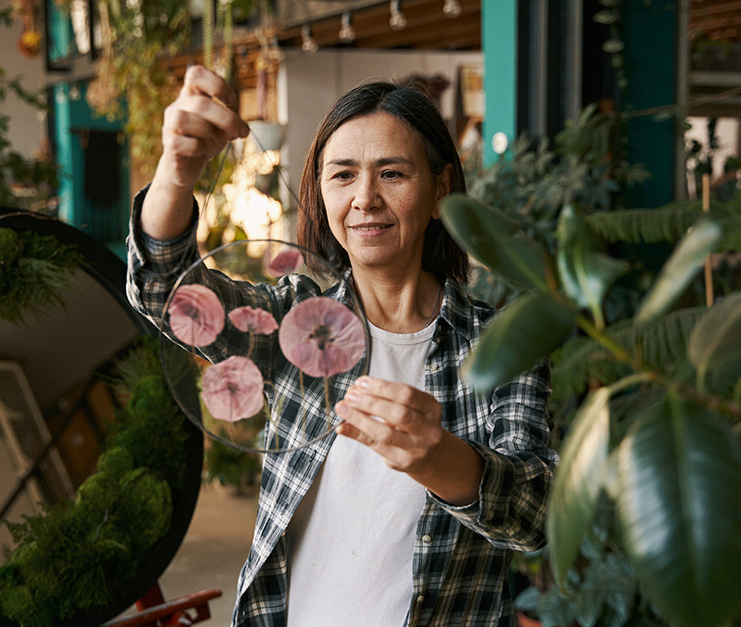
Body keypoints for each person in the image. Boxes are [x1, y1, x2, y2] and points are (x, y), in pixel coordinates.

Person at [126, 65, 557, 627]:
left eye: (394, 174)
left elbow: (534, 515)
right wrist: (176, 173)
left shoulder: (503, 346)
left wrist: (439, 459)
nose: (365, 199)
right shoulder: (297, 322)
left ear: (440, 192)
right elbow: (168, 293)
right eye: (343, 175)